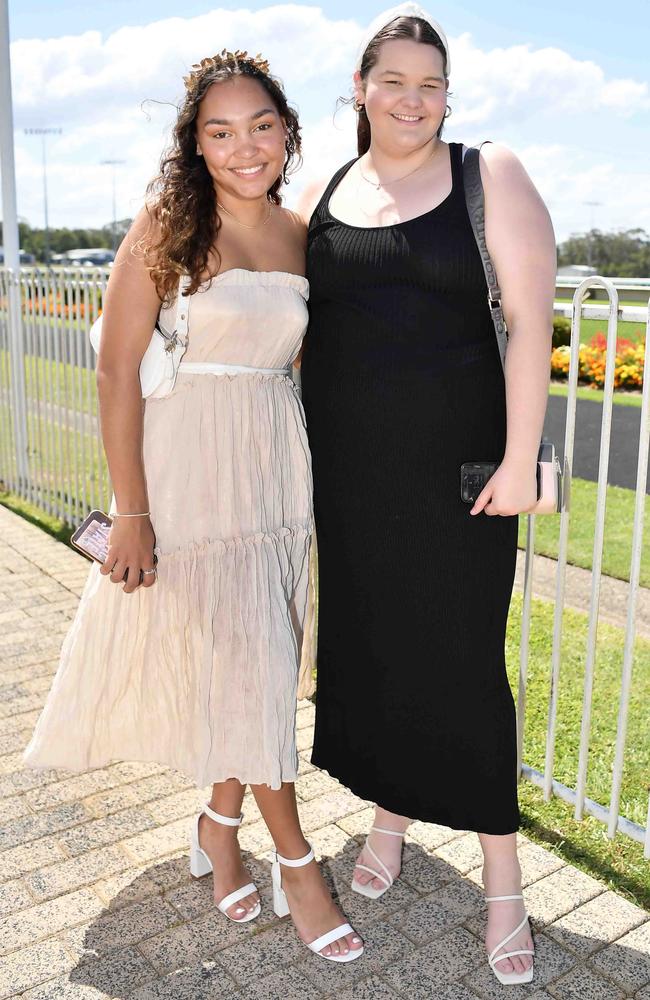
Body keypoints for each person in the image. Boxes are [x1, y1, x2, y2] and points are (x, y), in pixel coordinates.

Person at [23, 49, 363, 964]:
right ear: (196, 144)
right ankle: (297, 861)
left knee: (254, 653)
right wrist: (131, 511)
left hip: (271, 464)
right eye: (220, 130)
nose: (243, 145)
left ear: (286, 133)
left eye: (260, 126)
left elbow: (301, 362)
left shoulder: (300, 234)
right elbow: (114, 370)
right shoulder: (168, 225)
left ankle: (219, 822)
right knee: (246, 655)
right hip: (187, 471)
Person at [299, 3, 555, 985]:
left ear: (446, 96)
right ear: (359, 88)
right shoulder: (329, 186)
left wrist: (518, 458)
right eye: (392, 80)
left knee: (457, 664)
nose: (412, 99)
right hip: (351, 480)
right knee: (369, 651)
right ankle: (388, 815)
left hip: (460, 478)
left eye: (429, 83)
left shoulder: (484, 174)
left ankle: (501, 881)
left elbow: (530, 325)